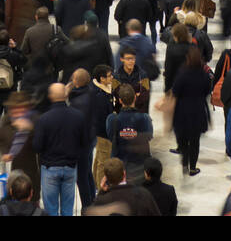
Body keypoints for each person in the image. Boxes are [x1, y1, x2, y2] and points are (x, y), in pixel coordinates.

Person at [31, 82, 89, 216]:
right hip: (70, 167)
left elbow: (37, 146)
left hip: (50, 168)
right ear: (66, 94)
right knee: (68, 210)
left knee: (51, 210)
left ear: (50, 96)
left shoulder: (44, 119)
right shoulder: (78, 117)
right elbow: (85, 143)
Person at [169, 46, 211, 178]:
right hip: (198, 111)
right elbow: (207, 91)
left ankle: (184, 162)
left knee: (182, 139)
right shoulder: (204, 75)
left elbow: (175, 92)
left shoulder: (182, 73)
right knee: (195, 141)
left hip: (182, 111)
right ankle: (193, 167)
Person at [82, 157, 160, 216]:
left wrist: (102, 192)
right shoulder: (143, 194)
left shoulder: (102, 201)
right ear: (124, 174)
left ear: (106, 178)